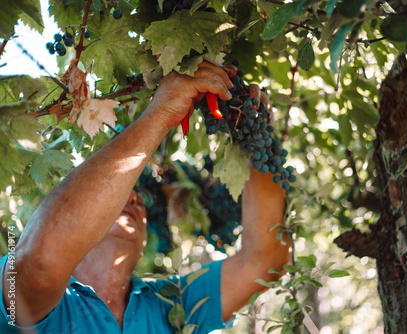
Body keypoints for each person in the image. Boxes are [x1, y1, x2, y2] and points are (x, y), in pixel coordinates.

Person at [0, 62, 289, 333]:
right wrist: (160, 114)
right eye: (120, 195)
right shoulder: (33, 301)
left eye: (139, 199)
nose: (134, 199)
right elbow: (41, 263)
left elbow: (264, 261)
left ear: (143, 247)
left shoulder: (173, 303)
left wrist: (253, 133)